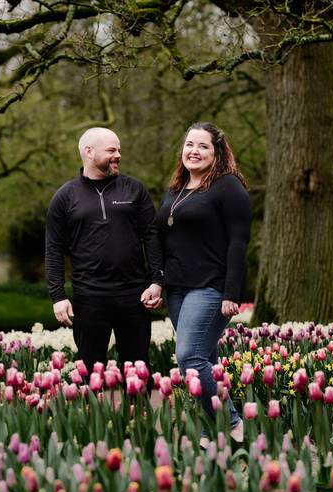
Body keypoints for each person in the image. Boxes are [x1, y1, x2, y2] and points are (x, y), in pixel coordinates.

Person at [153, 122, 251, 444]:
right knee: (205, 361)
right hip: (178, 290)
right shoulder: (175, 190)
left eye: (203, 146)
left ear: (217, 152)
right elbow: (166, 242)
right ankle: (218, 434)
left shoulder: (227, 187)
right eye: (189, 145)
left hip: (210, 288)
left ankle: (234, 423)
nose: (193, 151)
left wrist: (231, 293)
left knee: (189, 358)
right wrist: (158, 282)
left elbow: (238, 242)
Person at [45, 127, 164, 374]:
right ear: (89, 152)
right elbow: (54, 249)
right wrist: (57, 295)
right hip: (89, 296)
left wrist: (157, 281)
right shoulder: (65, 197)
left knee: (138, 370)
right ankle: (94, 413)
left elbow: (152, 236)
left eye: (119, 149)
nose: (118, 155)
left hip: (134, 295)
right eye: (111, 150)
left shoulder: (135, 190)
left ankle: (139, 412)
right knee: (90, 372)